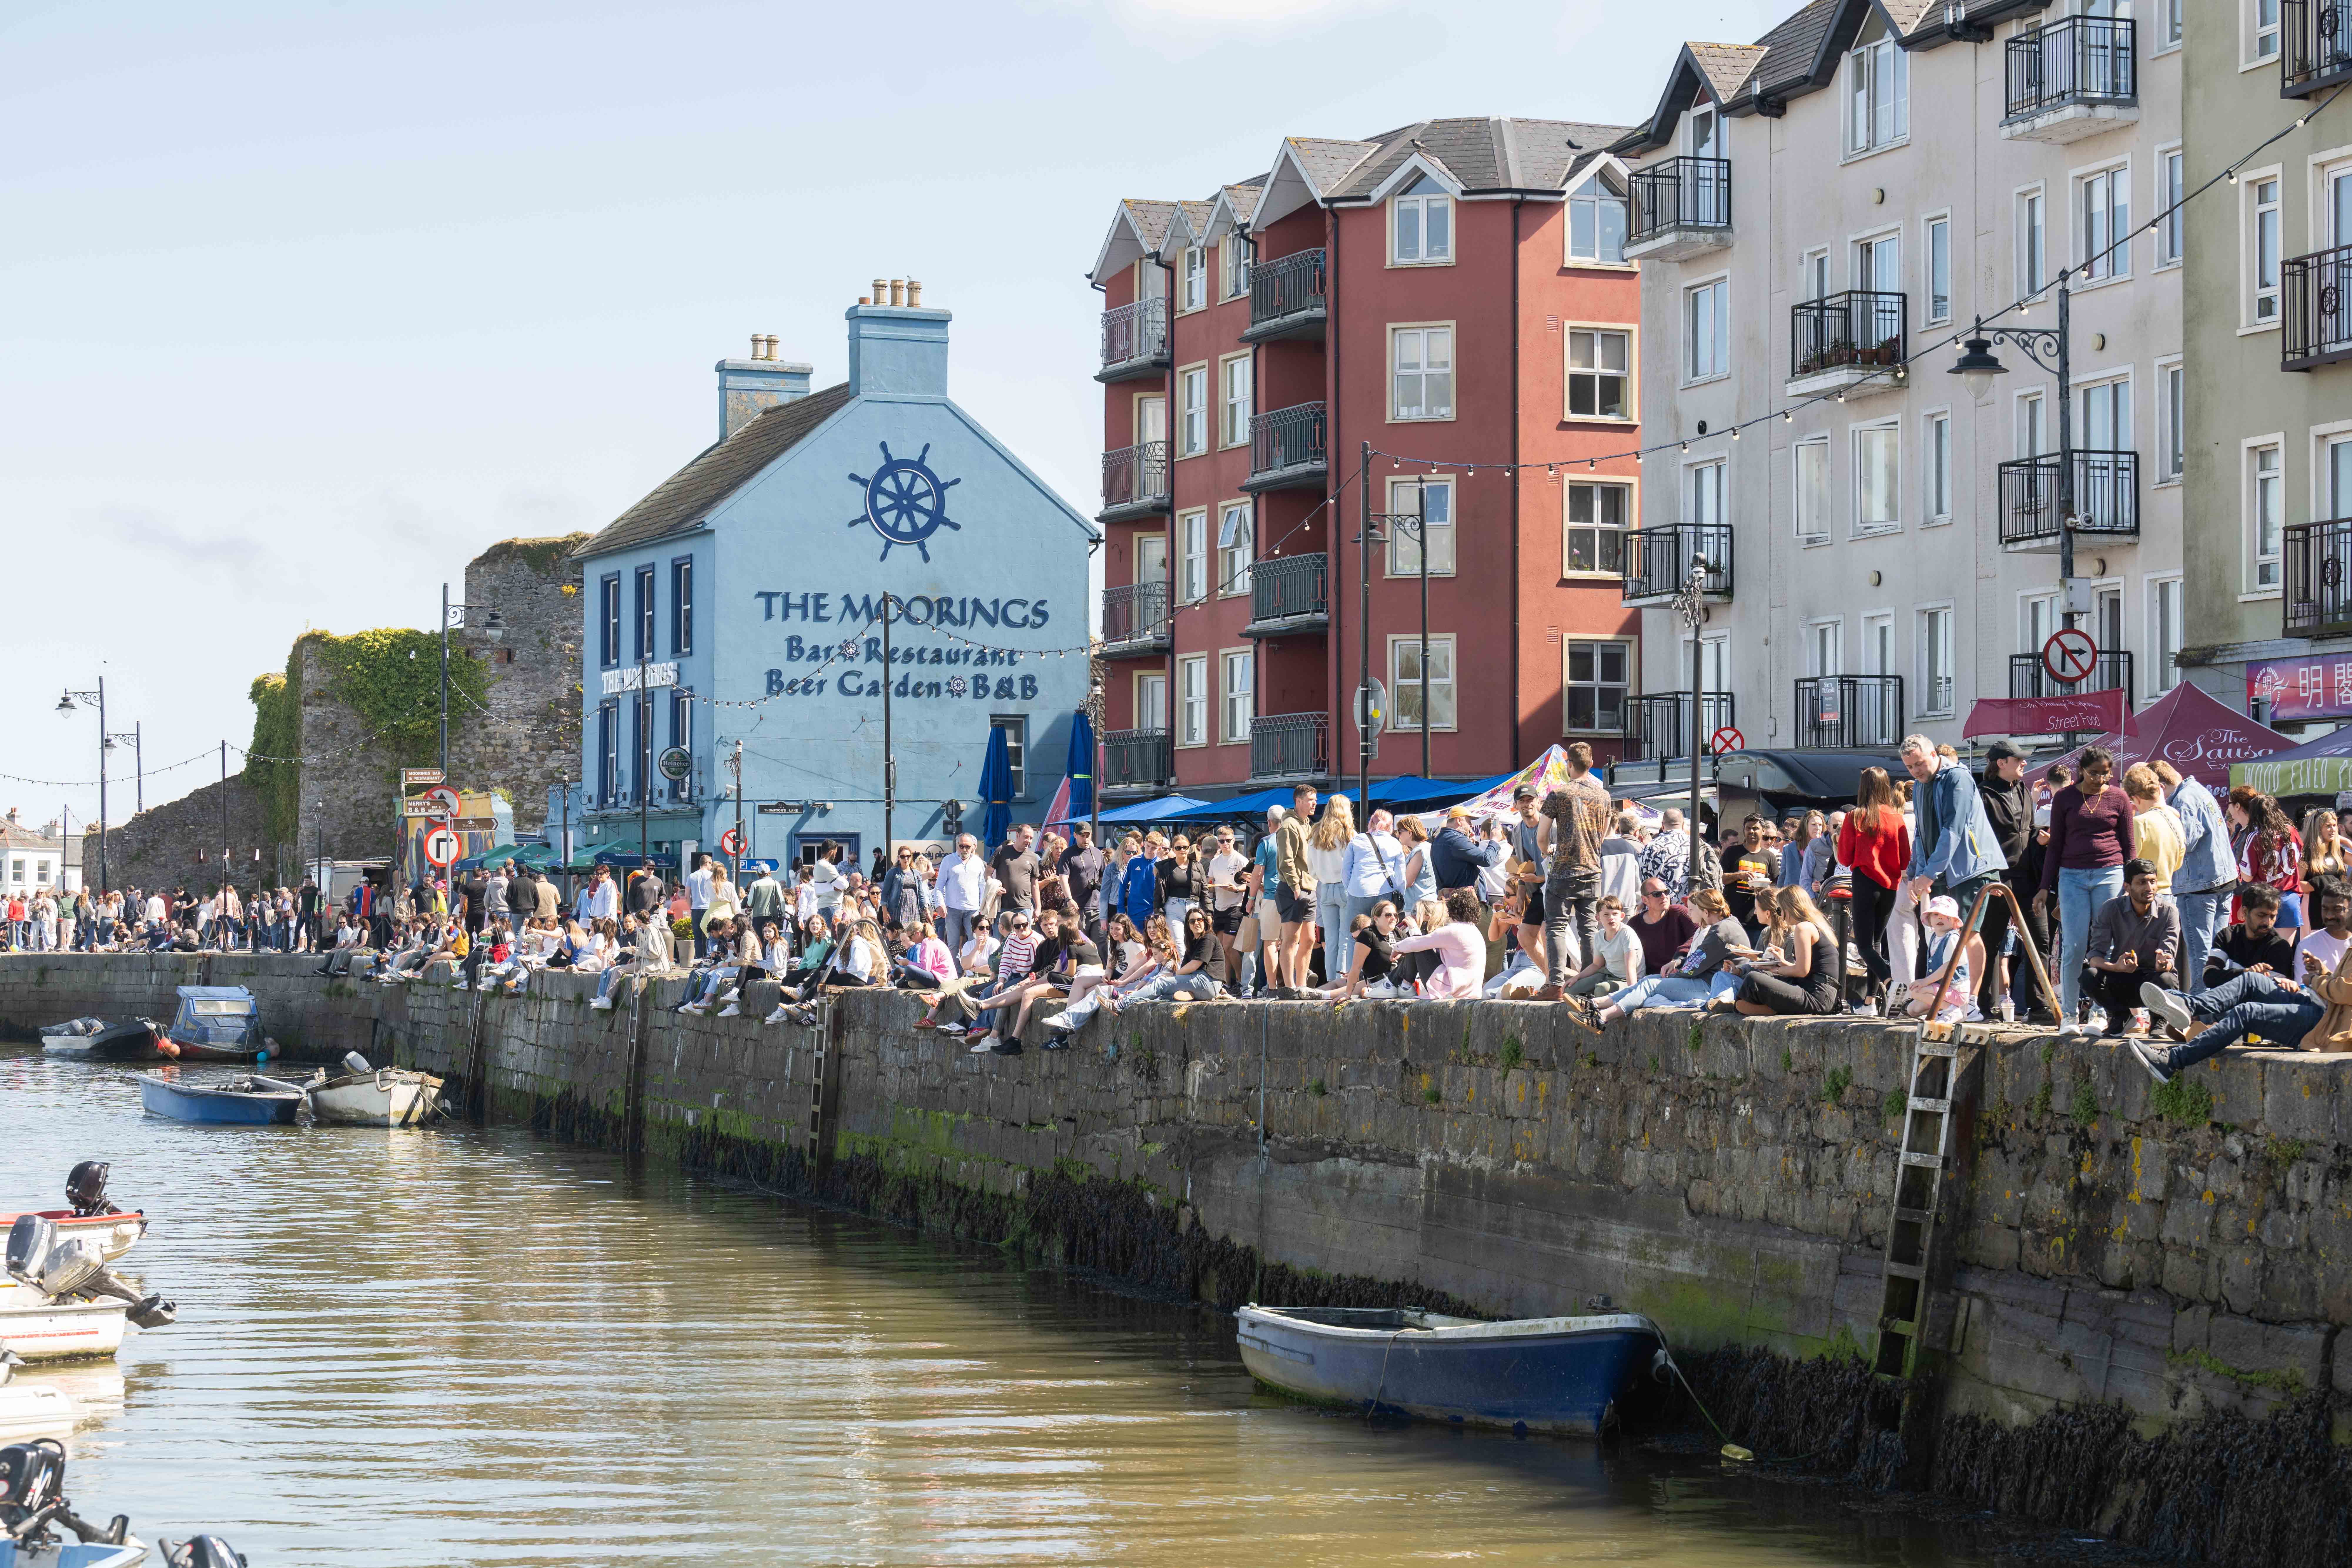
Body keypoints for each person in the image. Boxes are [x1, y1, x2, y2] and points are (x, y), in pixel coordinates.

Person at [2130, 937, 2349, 1087]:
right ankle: (2188, 1006)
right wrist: (2324, 972)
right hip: (2321, 1007)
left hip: (2325, 1026)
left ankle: (2172, 1061)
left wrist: (2316, 979)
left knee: (2247, 1012)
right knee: (2252, 980)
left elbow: (2346, 991)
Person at [2040, 745, 2135, 1026]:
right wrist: (2045, 885)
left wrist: (2131, 879)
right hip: (2072, 876)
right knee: (2074, 946)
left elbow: (2129, 845)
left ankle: (2100, 1011)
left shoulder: (2120, 797)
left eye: (2106, 774)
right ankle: (2069, 1014)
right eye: (2094, 773)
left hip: (2111, 871)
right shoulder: (2065, 798)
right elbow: (2055, 845)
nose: (2100, 779)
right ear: (2080, 770)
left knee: (2104, 945)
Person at [1582, 887, 1747, 1023]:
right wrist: (1677, 963)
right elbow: (1698, 959)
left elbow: (1695, 966)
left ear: (1705, 912)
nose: (1689, 914)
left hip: (1709, 987)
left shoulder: (1720, 931)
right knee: (1649, 980)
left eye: (1692, 910)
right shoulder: (1729, 923)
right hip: (1708, 981)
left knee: (1650, 985)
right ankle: (1597, 1003)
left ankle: (1603, 1017)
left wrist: (1674, 975)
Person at [1976, 739, 2043, 1019]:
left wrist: (2040, 834)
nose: (2024, 763)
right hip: (1998, 880)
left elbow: (2027, 827)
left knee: (2040, 940)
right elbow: (1978, 839)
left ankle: (2039, 1006)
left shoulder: (2024, 790)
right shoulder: (1984, 795)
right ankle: (1981, 1005)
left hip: (2027, 878)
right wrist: (1987, 878)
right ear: (2001, 763)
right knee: (1988, 943)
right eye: (2019, 760)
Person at [1537, 743, 1610, 998]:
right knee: (1589, 928)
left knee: (1556, 927)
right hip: (1592, 870)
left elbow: (1542, 836)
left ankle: (1556, 983)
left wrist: (1548, 852)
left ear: (1570, 764)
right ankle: (1588, 984)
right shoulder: (1604, 796)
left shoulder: (1559, 794)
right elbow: (1603, 834)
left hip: (1563, 871)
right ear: (1591, 764)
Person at [1837, 766, 1910, 1013]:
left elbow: (1845, 857)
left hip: (1865, 881)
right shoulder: (1897, 818)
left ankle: (1890, 981)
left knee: (1864, 946)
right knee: (1876, 942)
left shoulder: (1856, 817)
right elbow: (1906, 858)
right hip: (1891, 884)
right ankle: (1870, 1002)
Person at [2081, 859, 2180, 1037]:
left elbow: (2169, 959)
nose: (2149, 888)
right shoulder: (2111, 909)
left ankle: (2159, 1021)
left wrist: (2163, 964)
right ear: (2127, 887)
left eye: (2153, 882)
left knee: (2167, 979)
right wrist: (2116, 967)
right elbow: (2095, 957)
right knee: (2089, 976)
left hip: (2153, 982)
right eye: (2142, 883)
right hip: (2122, 979)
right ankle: (2121, 1015)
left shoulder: (2169, 912)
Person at [1731, 886, 1846, 1017]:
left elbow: (1802, 971)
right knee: (1762, 976)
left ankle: (1744, 1005)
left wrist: (1776, 970)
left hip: (1818, 996)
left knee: (1754, 978)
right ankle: (1746, 1005)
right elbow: (1808, 970)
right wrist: (1782, 963)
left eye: (1780, 910)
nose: (1780, 916)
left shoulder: (1803, 928)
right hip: (1819, 992)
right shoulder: (1813, 926)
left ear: (1789, 908)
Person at [1373, 888, 1483, 1000]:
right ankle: (1403, 987)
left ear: (1453, 909)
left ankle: (1392, 984)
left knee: (1417, 944)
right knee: (1416, 943)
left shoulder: (1453, 931)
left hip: (1450, 991)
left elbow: (1417, 943)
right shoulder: (1474, 930)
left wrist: (1398, 947)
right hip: (1469, 991)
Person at [2239, 793, 2305, 949]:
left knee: (2261, 955)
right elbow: (2300, 861)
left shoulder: (2256, 836)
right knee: (2284, 954)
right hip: (2290, 899)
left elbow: (2247, 877)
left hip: (2263, 901)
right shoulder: (2292, 832)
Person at [2204, 883, 2295, 988]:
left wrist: (2248, 977)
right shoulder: (2228, 936)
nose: (2267, 922)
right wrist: (2246, 973)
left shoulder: (2280, 948)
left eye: (2273, 917)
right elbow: (2209, 977)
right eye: (2261, 915)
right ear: (2245, 912)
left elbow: (2270, 994)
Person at [1899, 896, 1975, 1022]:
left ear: (1954, 922)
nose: (1940, 918)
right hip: (1943, 990)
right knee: (1912, 1010)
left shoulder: (1953, 939)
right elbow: (1925, 918)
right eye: (1936, 915)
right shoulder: (1934, 936)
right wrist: (1925, 893)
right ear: (1929, 919)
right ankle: (1943, 1010)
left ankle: (1953, 1010)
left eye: (1947, 917)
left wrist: (1925, 982)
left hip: (1956, 992)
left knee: (1918, 992)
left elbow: (1948, 968)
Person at [1306, 794, 1356, 982]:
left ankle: (1330, 981)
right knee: (1345, 937)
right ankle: (1341, 979)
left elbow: (1311, 870)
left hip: (1325, 888)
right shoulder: (1349, 834)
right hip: (1344, 887)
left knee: (1330, 939)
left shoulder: (1316, 832)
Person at [1314, 899, 1402, 1002]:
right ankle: (1311, 992)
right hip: (1374, 979)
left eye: (1395, 916)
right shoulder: (1370, 935)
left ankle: (1322, 995)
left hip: (1386, 981)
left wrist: (1414, 930)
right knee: (1340, 982)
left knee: (1360, 984)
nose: (1393, 918)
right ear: (1376, 919)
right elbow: (1357, 967)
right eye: (1389, 915)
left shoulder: (1398, 934)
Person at [1564, 895, 1643, 1000]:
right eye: (1606, 915)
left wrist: (1633, 993)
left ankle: (1594, 1004)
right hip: (1609, 974)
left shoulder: (1627, 934)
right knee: (1569, 989)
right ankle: (1589, 1000)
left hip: (1628, 979)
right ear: (1598, 918)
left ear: (1622, 916)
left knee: (1601, 990)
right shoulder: (1599, 936)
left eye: (1615, 914)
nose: (1611, 918)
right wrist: (1577, 977)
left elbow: (1631, 968)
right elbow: (1597, 965)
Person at [1203, 825, 1251, 992]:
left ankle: (1240, 981)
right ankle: (1226, 983)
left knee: (1229, 947)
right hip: (1220, 907)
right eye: (1222, 842)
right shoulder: (1215, 862)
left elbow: (1251, 885)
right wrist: (1211, 886)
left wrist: (1237, 889)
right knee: (1223, 949)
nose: (1226, 844)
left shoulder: (1240, 860)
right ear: (1218, 843)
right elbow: (1210, 883)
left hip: (1235, 906)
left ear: (1234, 840)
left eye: (1229, 841)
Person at [2123, 765, 2186, 893]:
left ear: (2136, 798)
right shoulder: (2175, 819)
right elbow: (2178, 864)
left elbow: (2129, 865)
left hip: (2142, 896)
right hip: (2167, 893)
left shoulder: (2139, 823)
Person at [1720, 816, 1781, 943]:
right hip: (1733, 919)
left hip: (1759, 921)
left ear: (1763, 831)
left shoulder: (1769, 857)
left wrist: (1765, 888)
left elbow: (1776, 887)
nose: (1751, 831)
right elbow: (1721, 878)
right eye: (1748, 828)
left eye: (1755, 828)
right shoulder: (1732, 852)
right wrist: (1739, 875)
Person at [1249, 806, 1287, 994]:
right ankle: (1291, 985)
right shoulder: (1295, 839)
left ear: (1269, 822)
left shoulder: (1266, 842)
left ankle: (1271, 988)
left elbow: (1257, 875)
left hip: (1272, 897)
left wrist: (1251, 898)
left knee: (1270, 943)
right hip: (1294, 896)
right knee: (1291, 943)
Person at [1627, 878, 1699, 977]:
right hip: (1647, 978)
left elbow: (1701, 933)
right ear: (1645, 900)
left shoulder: (1679, 913)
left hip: (1679, 976)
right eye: (1657, 894)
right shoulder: (1634, 924)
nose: (1664, 897)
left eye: (1666, 892)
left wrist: (1679, 958)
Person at [2297, 880, 2352, 983]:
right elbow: (2303, 990)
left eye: (2337, 909)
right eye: (2325, 909)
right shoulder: (2307, 946)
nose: (2329, 916)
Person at [1060, 824, 1107, 942]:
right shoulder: (1068, 854)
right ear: (1075, 835)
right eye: (1082, 836)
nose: (1086, 839)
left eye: (1088, 836)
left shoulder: (1097, 853)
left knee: (1101, 942)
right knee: (1078, 942)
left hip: (1097, 907)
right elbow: (1063, 878)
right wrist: (1069, 899)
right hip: (1077, 908)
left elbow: (1104, 878)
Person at [990, 823, 1041, 918]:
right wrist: (994, 888)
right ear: (1017, 835)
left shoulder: (1033, 857)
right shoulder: (1002, 851)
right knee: (1001, 934)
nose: (1029, 841)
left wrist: (1038, 907)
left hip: (1024, 907)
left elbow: (1035, 884)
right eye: (1026, 837)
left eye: (1031, 838)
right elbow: (988, 873)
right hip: (1003, 906)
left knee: (1025, 933)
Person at [1640, 808, 1693, 901]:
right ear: (1684, 824)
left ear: (1662, 825)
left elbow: (1641, 877)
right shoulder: (1696, 845)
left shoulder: (1650, 847)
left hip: (1658, 907)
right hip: (1689, 907)